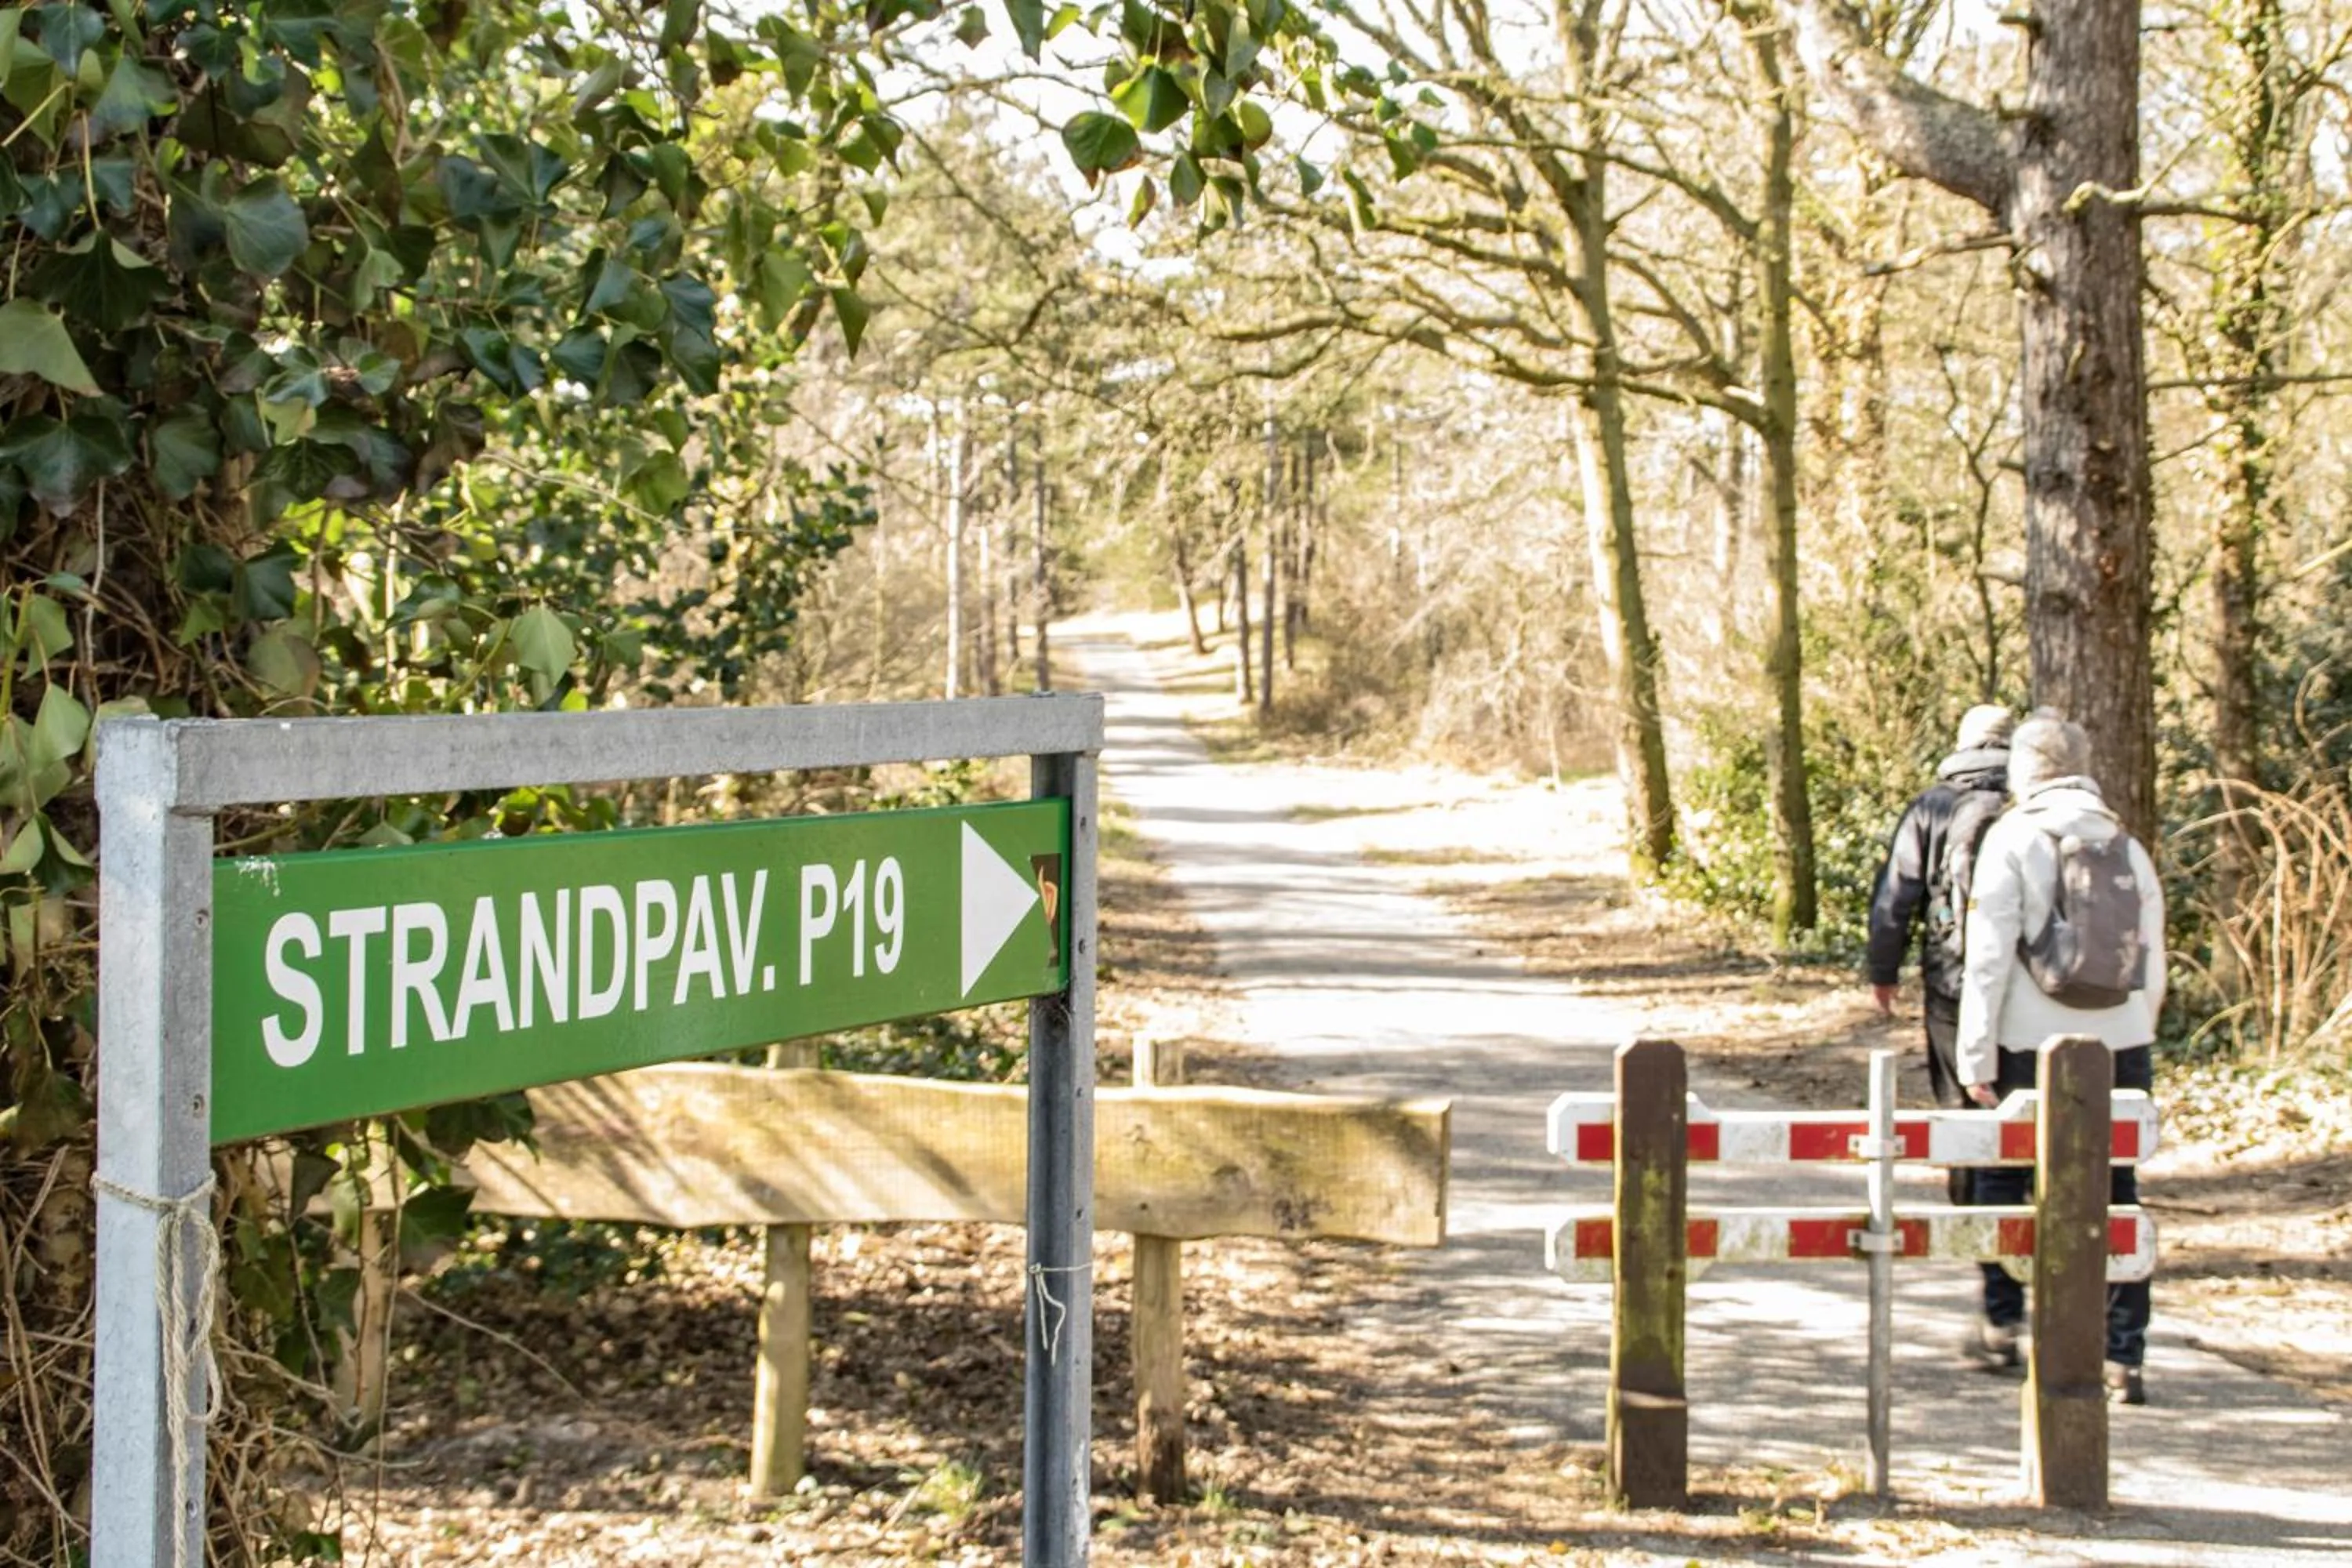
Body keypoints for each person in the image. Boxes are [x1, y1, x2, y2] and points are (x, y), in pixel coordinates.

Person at [1955, 712, 2165, 1406]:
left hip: (2027, 1040)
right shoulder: (2127, 845)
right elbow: (2153, 962)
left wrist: (1975, 1054)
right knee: (2116, 1193)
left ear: (2024, 769)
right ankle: (2122, 1354)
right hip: (2121, 1042)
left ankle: (2003, 1322)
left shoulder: (2013, 838)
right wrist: (2136, 1033)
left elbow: (1987, 959)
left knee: (2003, 1175)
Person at [1866, 704, 2015, 1120]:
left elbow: (1896, 894)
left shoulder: (1932, 807)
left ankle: (1968, 1183)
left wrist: (1883, 972)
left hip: (1951, 972)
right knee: (2020, 1102)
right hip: (2022, 975)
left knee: (1958, 1104)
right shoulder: (2024, 804)